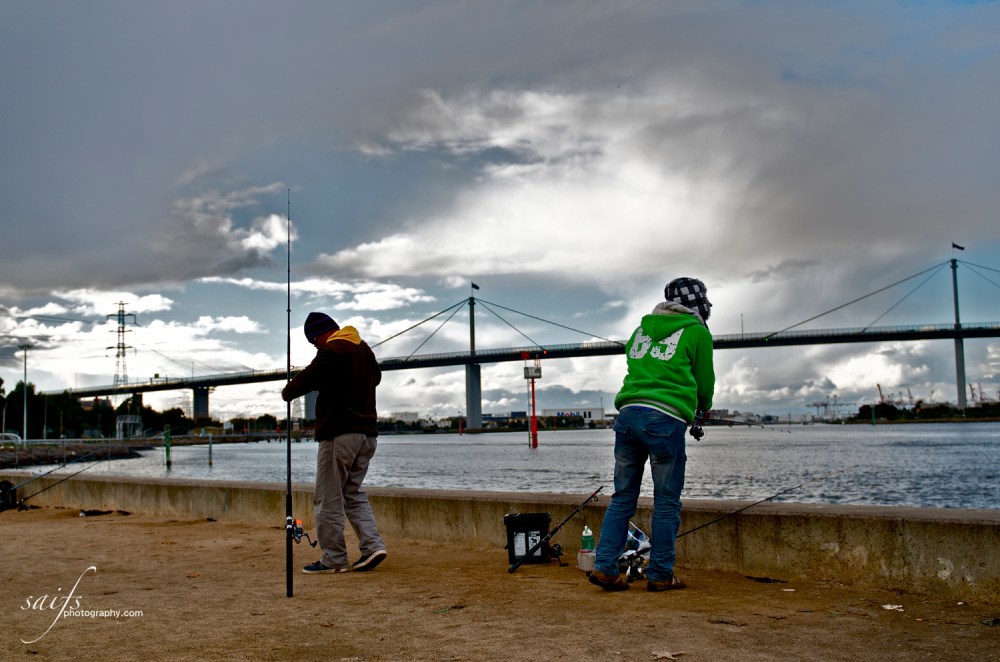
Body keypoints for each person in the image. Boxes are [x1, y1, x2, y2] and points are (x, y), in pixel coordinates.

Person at [589, 277, 715, 592]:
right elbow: (705, 382)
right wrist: (703, 408)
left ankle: (604, 567)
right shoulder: (698, 332)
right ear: (697, 304)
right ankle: (660, 574)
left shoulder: (640, 330)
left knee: (622, 498)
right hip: (665, 420)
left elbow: (639, 368)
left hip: (628, 416)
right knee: (667, 503)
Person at [282, 312, 387, 574]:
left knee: (327, 498)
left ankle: (333, 559)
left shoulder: (332, 350)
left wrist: (287, 390)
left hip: (339, 435)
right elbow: (376, 378)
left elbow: (302, 383)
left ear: (323, 333)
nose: (315, 346)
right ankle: (372, 547)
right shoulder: (363, 349)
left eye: (314, 340)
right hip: (367, 436)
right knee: (352, 493)